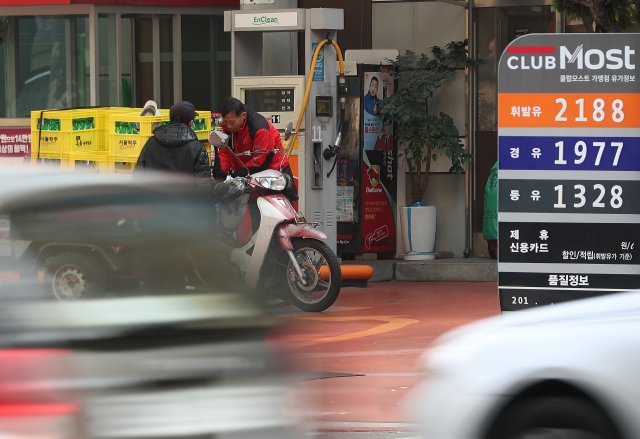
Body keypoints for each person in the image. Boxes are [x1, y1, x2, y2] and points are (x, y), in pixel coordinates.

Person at [211, 97, 295, 185]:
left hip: (274, 173)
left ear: (243, 115)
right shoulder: (228, 124)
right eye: (225, 122)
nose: (228, 126)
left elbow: (260, 163)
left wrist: (237, 175)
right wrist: (220, 174)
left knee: (286, 197)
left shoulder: (259, 129)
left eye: (231, 122)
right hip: (245, 173)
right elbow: (224, 149)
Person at [135, 100, 210, 179]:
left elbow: (138, 176)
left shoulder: (151, 142)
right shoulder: (197, 148)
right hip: (186, 191)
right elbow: (203, 184)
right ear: (191, 123)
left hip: (152, 191)